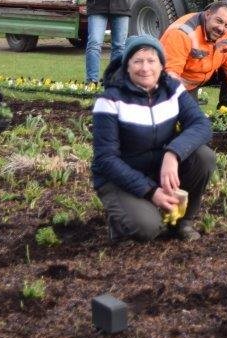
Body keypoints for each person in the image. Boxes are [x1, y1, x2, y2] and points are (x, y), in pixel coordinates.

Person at [92, 34, 215, 242]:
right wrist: (151, 191)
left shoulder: (172, 89)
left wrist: (173, 154)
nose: (145, 68)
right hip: (119, 179)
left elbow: (201, 125)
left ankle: (181, 222)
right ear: (127, 66)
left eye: (151, 61)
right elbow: (106, 160)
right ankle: (120, 221)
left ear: (161, 65)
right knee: (148, 229)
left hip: (159, 169)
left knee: (204, 157)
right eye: (137, 61)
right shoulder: (110, 100)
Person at [159, 1, 227, 114]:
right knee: (190, 119)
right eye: (219, 21)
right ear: (208, 14)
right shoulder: (182, 33)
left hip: (207, 73)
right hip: (183, 81)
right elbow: (170, 75)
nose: (221, 28)